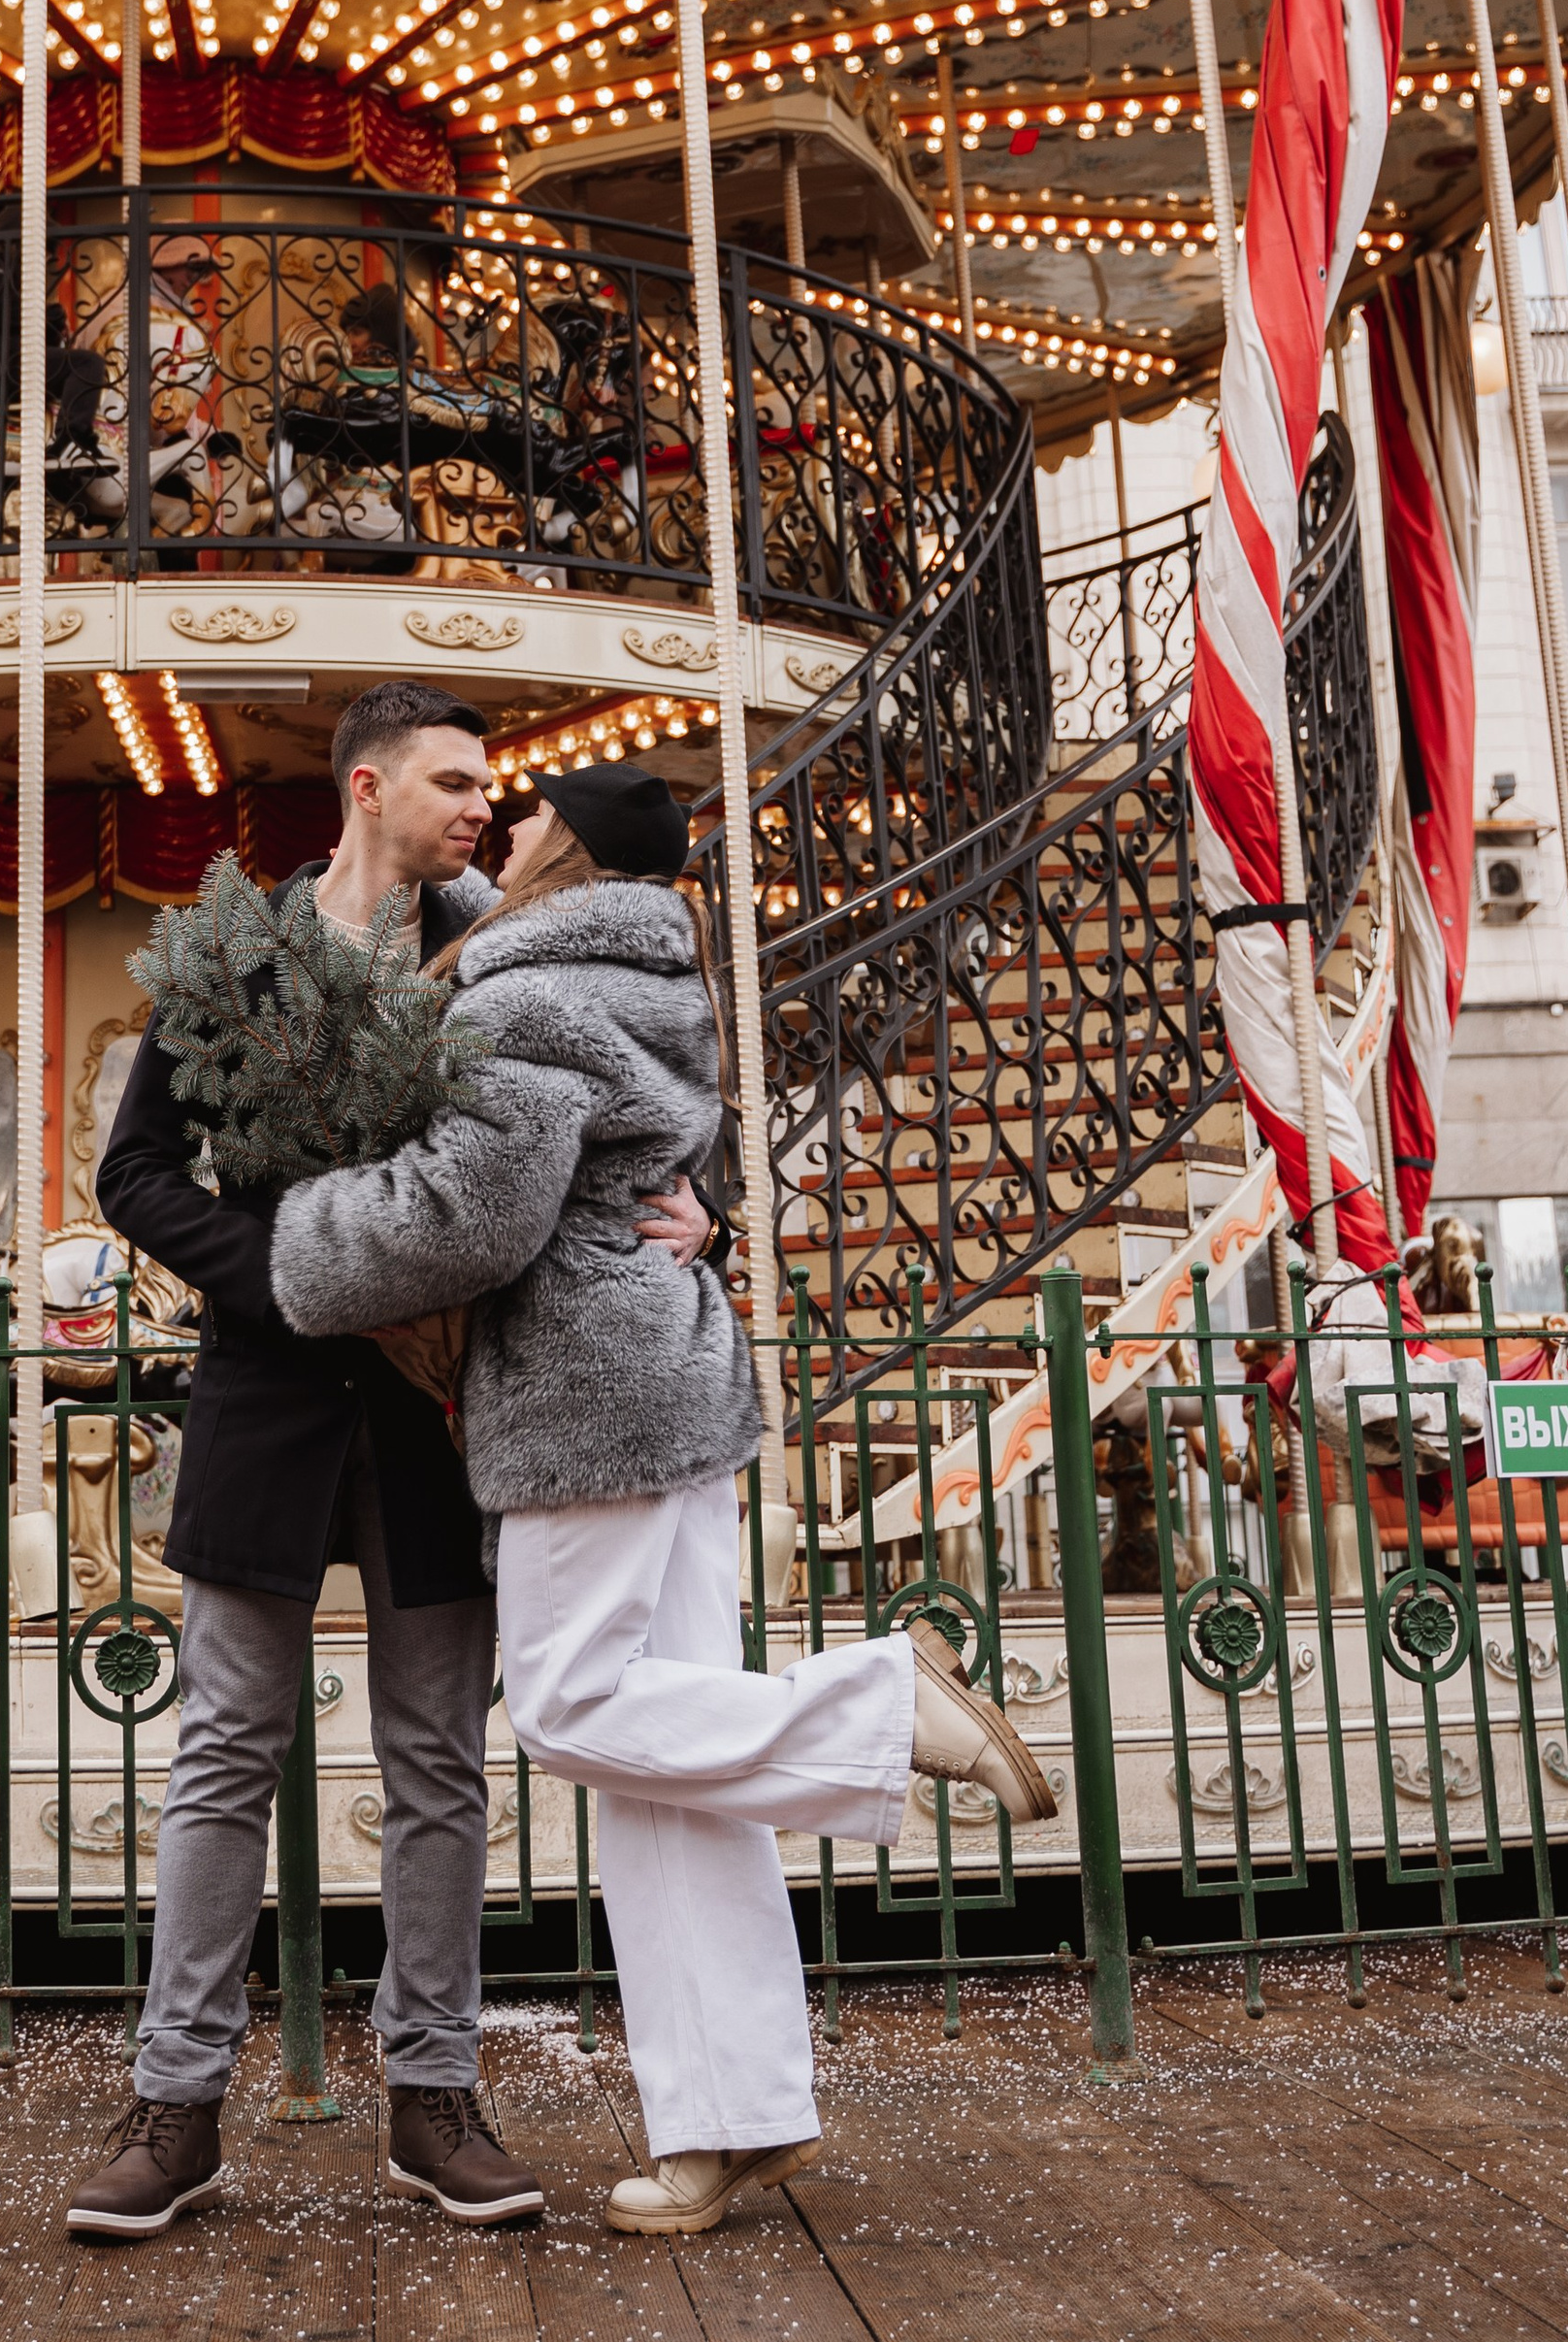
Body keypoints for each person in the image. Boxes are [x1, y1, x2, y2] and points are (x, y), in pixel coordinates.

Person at [265, 759, 1057, 2237]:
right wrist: (717, 1214)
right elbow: (655, 1158)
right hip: (672, 1375)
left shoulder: (529, 996)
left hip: (587, 1394)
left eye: (534, 813)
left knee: (570, 1707)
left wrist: (298, 1240)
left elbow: (474, 1216)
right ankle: (731, 2119)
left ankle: (887, 1708)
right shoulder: (658, 971)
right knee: (665, 1775)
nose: (509, 824)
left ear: (567, 849)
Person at [73, 681, 542, 2239]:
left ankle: (433, 2094)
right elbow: (136, 1172)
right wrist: (284, 1274)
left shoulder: (497, 954)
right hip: (268, 1387)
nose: (482, 805)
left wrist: (704, 1213)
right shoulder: (237, 958)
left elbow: (598, 1122)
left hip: (434, 1405)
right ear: (368, 788)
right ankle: (178, 2106)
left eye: (486, 784)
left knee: (439, 1762)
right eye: (454, 781)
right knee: (222, 1752)